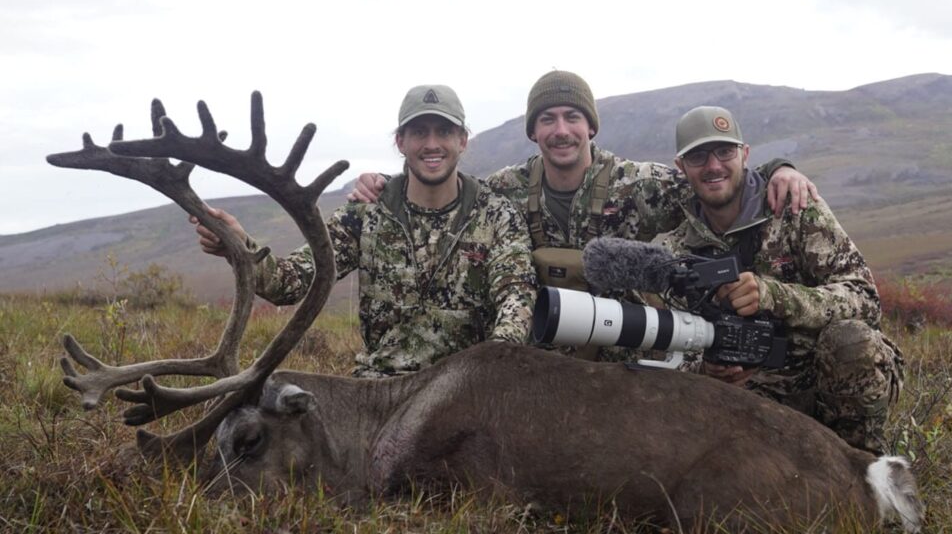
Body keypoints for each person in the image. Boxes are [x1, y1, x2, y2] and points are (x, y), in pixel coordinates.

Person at [352, 71, 819, 360]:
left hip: (625, 347)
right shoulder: (501, 193)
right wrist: (383, 185)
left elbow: (714, 173)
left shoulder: (640, 183)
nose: (561, 131)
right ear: (533, 130)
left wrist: (779, 169)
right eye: (548, 119)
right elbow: (439, 189)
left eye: (572, 118)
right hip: (536, 348)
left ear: (590, 126)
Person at [191, 85, 537, 377]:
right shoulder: (366, 212)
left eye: (444, 132)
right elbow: (289, 282)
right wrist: (239, 245)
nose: (432, 144)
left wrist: (494, 367)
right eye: (419, 132)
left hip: (464, 387)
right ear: (400, 141)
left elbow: (516, 296)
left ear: (462, 140)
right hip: (379, 389)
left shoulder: (497, 214)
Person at [659, 105, 902, 453]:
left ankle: (864, 464)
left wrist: (776, 297)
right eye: (698, 156)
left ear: (744, 155)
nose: (713, 166)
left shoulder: (796, 210)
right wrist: (703, 369)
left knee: (851, 341)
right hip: (744, 396)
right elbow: (664, 347)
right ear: (680, 167)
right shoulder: (676, 249)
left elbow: (864, 299)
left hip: (821, 379)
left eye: (724, 151)